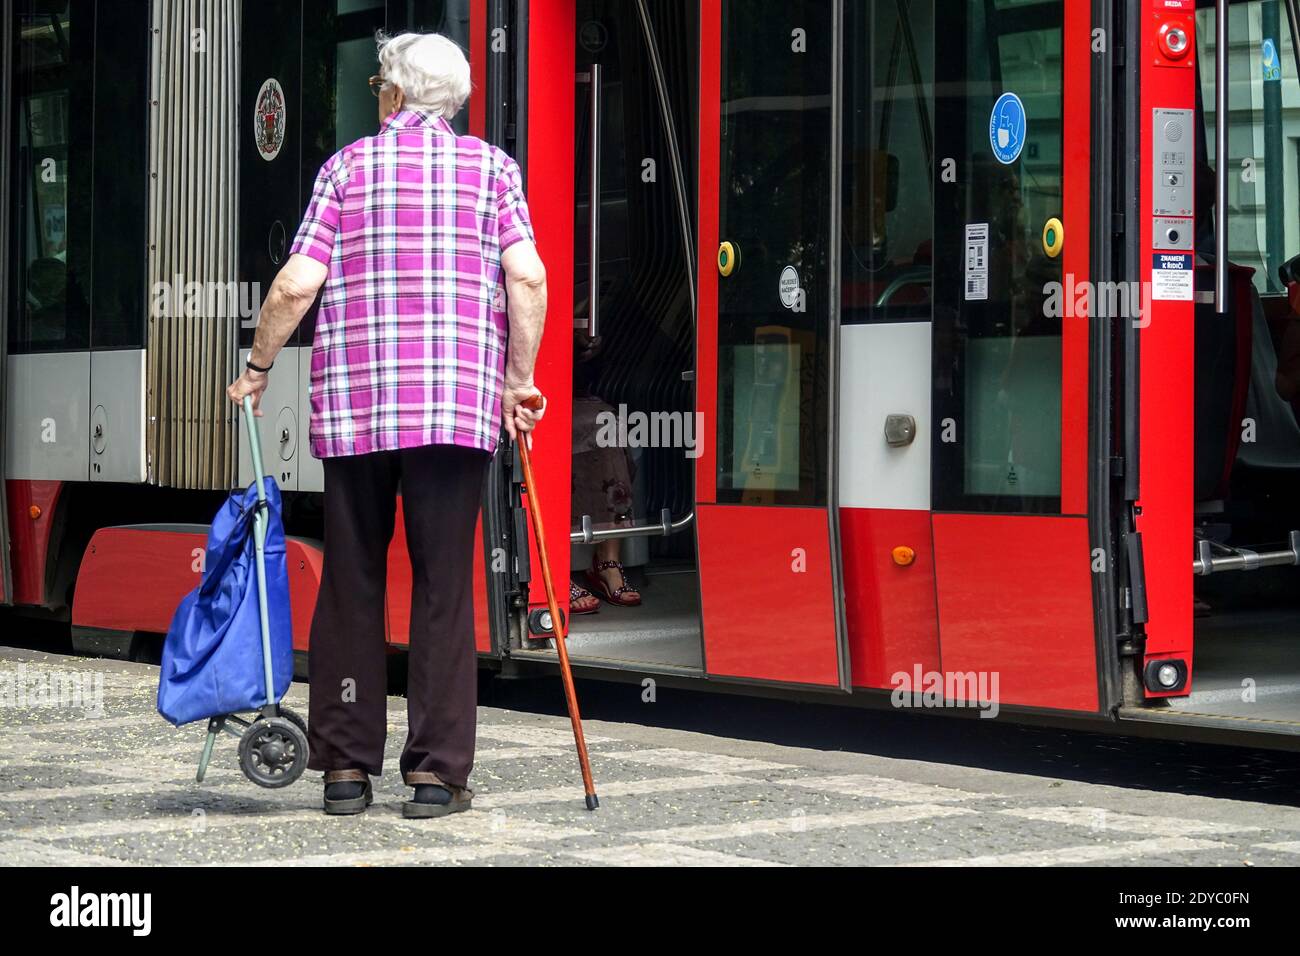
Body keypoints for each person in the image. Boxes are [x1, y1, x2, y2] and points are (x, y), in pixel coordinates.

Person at [226, 31, 546, 818]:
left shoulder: (346, 169)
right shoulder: (494, 171)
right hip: (454, 411)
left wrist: (258, 366)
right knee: (444, 589)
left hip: (360, 408)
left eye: (378, 82)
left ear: (394, 95)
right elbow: (527, 275)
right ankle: (436, 778)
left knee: (352, 580)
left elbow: (297, 284)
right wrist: (519, 380)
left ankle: (342, 769)